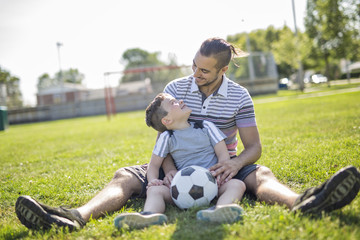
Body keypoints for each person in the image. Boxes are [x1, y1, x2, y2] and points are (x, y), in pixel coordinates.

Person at [15, 37, 360, 231]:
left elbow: (254, 147)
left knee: (260, 175)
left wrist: (234, 163)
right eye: (194, 65)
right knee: (125, 175)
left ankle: (304, 203)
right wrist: (167, 174)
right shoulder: (177, 89)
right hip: (176, 164)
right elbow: (162, 141)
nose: (195, 73)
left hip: (220, 166)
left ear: (223, 70)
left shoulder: (239, 96)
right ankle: (75, 216)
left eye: (205, 70)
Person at [113, 93, 246, 228]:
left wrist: (219, 175)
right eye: (173, 102)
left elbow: (223, 154)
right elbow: (153, 165)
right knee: (154, 191)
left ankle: (221, 209)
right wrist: (153, 181)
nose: (180, 101)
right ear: (167, 120)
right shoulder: (166, 137)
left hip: (214, 184)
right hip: (180, 191)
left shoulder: (206, 126)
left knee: (237, 184)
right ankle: (149, 215)